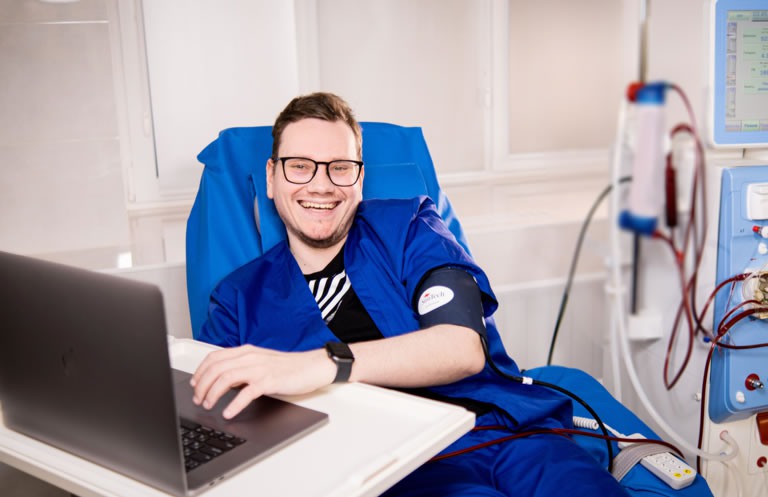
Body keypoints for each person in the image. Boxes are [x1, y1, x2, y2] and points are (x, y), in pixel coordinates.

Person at [190, 91, 630, 497]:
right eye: (300, 166)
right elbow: (211, 420)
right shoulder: (237, 301)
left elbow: (461, 348)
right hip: (395, 466)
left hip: (505, 433)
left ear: (359, 178)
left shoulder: (410, 228)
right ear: (271, 177)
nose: (321, 185)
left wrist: (320, 365)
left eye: (340, 167)